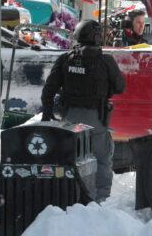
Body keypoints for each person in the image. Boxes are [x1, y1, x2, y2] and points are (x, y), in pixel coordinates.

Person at [41, 19, 125, 202]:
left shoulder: (65, 59)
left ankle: (69, 195)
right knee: (102, 158)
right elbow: (120, 87)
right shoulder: (106, 61)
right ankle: (100, 200)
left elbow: (48, 90)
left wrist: (47, 113)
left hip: (68, 118)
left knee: (69, 158)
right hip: (95, 118)